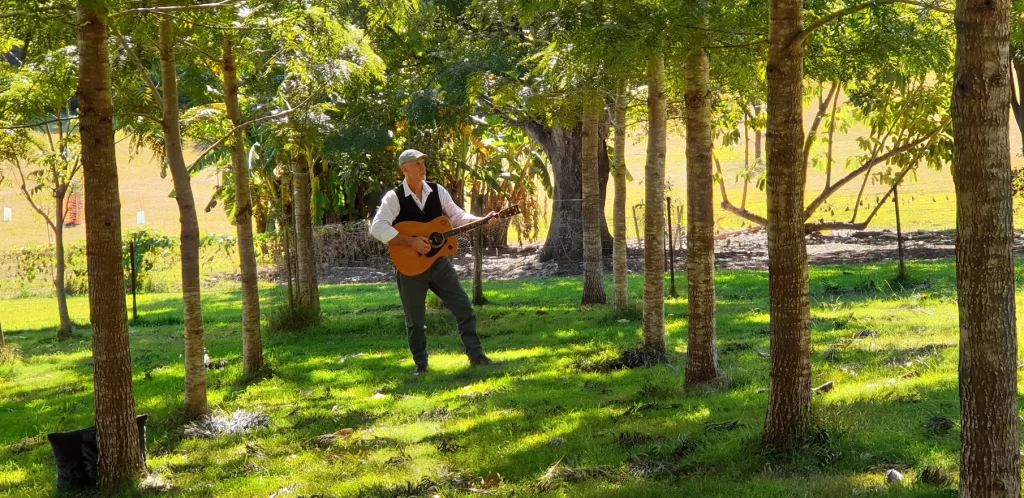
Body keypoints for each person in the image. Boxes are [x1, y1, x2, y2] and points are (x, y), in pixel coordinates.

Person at [370, 149, 497, 375]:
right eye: (416, 163)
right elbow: (377, 227)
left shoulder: (437, 191)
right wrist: (411, 242)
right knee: (415, 321)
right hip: (410, 267)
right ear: (404, 169)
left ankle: (476, 356)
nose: (422, 167)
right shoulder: (394, 197)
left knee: (464, 308)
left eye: (423, 163)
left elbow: (457, 217)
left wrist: (482, 221)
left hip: (439, 264)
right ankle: (421, 364)